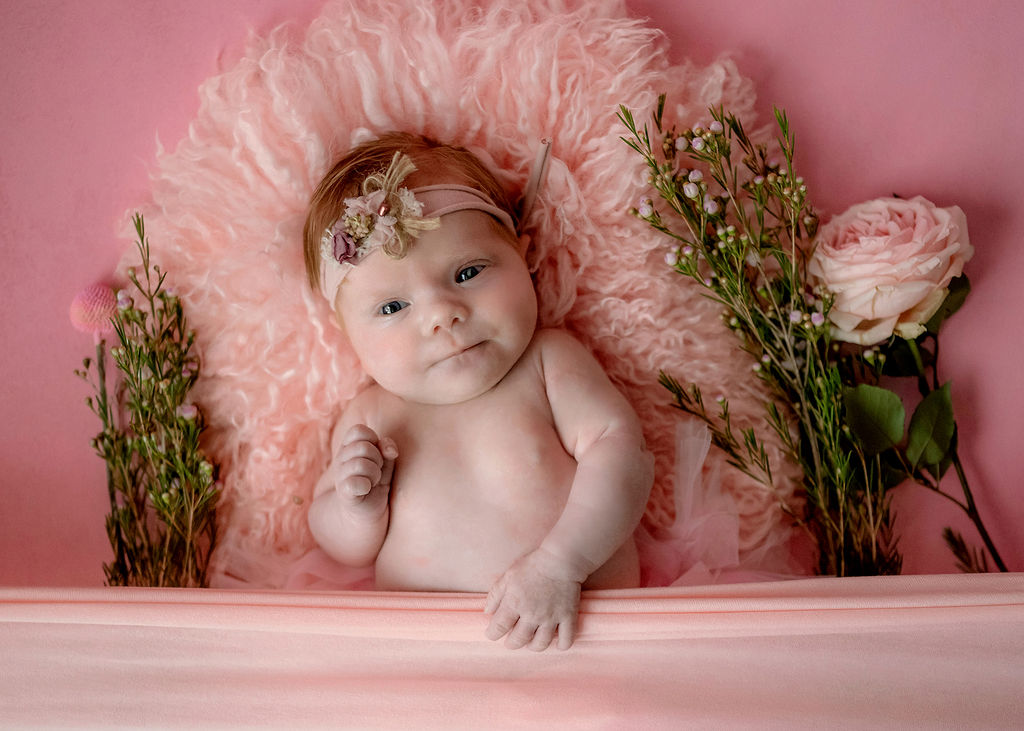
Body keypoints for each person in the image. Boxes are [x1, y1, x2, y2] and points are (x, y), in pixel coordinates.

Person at [303, 132, 653, 651]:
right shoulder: (371, 414)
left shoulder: (547, 362)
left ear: (524, 256)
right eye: (392, 307)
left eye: (467, 272)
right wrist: (356, 510)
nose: (442, 315)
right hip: (430, 664)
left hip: (582, 641)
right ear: (346, 332)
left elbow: (622, 453)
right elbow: (343, 548)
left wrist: (561, 564)